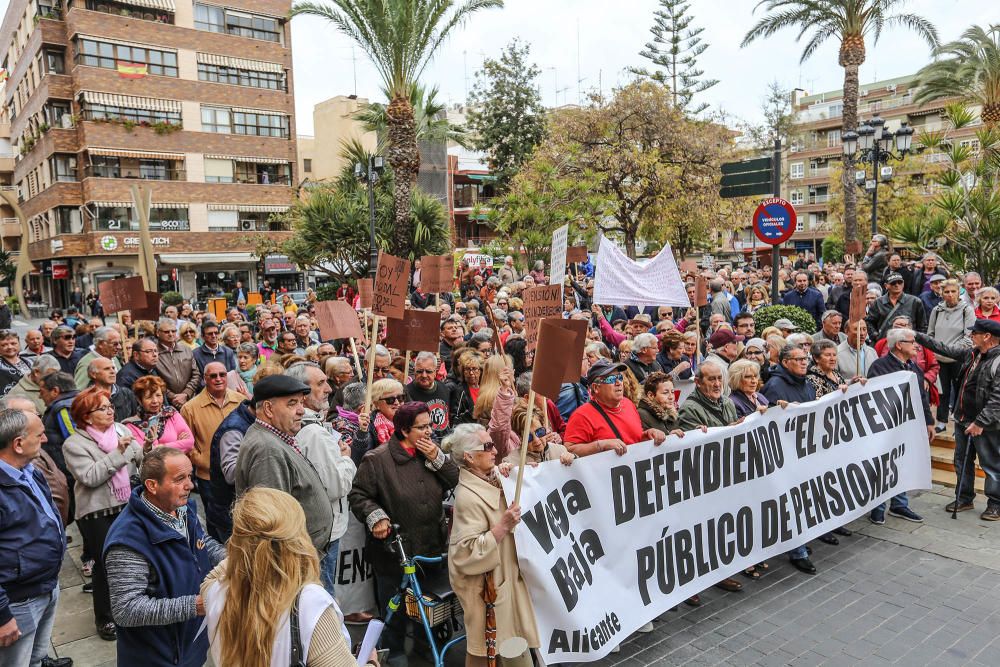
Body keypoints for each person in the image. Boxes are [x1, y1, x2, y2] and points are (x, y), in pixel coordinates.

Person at [201, 488, 367, 667]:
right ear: (298, 539)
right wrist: (372, 662)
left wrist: (247, 553)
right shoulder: (310, 604)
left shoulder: (215, 591)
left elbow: (213, 576)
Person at [348, 401, 459, 666]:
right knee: (394, 608)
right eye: (422, 427)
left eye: (430, 425)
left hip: (432, 545)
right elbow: (358, 495)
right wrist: (377, 517)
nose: (429, 432)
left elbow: (454, 479)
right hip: (394, 551)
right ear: (404, 430)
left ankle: (426, 651)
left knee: (429, 607)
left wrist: (438, 459)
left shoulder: (430, 453)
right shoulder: (377, 459)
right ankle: (394, 655)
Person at [103, 447, 224, 667]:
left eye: (190, 476)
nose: (190, 485)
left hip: (191, 643)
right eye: (180, 479)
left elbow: (201, 543)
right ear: (152, 485)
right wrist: (197, 606)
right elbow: (126, 609)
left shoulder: (183, 508)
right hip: (158, 657)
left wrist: (234, 561)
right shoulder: (128, 539)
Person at [445, 424, 539, 667]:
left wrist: (521, 474)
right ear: (469, 456)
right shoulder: (467, 497)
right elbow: (464, 554)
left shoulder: (492, 478)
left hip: (505, 583)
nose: (495, 450)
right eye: (487, 446)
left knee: (507, 648)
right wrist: (502, 527)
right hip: (488, 592)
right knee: (491, 653)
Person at [63, 386, 143, 641]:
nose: (111, 410)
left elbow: (139, 457)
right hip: (97, 513)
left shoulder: (121, 429)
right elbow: (91, 476)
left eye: (110, 406)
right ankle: (106, 618)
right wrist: (119, 453)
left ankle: (135, 606)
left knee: (136, 559)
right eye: (103, 408)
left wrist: (144, 448)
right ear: (86, 416)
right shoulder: (74, 444)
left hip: (127, 504)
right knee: (107, 565)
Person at [0, 408, 72, 667]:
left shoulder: (29, 470)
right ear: (18, 444)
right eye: (39, 435)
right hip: (18, 601)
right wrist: (2, 617)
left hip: (45, 585)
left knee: (36, 656)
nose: (45, 440)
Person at [235, 374, 334, 553]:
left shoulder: (274, 437)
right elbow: (272, 526)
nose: (301, 410)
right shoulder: (267, 449)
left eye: (301, 403)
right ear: (268, 409)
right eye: (292, 403)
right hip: (293, 560)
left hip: (304, 553)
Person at [285, 362, 357, 596]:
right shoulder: (313, 433)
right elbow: (336, 486)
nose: (328, 389)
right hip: (324, 531)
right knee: (323, 595)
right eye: (320, 383)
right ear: (302, 394)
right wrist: (346, 458)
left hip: (312, 527)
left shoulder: (303, 426)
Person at [916, 320, 1000, 519]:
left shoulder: (997, 360)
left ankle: (996, 504)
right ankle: (964, 498)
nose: (971, 336)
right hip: (963, 419)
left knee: (992, 464)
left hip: (986, 425)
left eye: (975, 333)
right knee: (962, 460)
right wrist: (917, 336)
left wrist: (980, 422)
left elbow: (998, 398)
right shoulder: (973, 353)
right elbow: (945, 349)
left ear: (987, 336)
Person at [761, 345, 819, 575]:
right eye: (799, 359)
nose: (805, 362)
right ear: (785, 362)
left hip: (804, 450)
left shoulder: (806, 383)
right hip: (785, 455)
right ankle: (798, 551)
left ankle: (800, 541)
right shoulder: (776, 386)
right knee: (792, 502)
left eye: (806, 358)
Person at [867, 327, 933, 525]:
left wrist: (928, 421)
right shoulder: (880, 367)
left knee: (903, 463)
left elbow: (922, 396)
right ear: (899, 345)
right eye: (912, 342)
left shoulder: (914, 367)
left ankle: (899, 504)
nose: (916, 346)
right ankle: (877, 507)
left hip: (908, 426)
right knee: (883, 465)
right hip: (886, 427)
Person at [180, 361, 242, 537]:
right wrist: (203, 462)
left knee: (241, 519)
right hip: (209, 477)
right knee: (216, 523)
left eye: (222, 375)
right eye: (213, 376)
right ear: (204, 379)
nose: (218, 379)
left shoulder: (241, 400)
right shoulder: (190, 408)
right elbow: (187, 444)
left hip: (238, 474)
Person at [563, 359, 668, 458]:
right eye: (611, 379)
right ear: (596, 388)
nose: (618, 383)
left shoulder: (628, 404)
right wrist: (600, 445)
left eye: (620, 377)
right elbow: (569, 450)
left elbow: (633, 439)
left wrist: (648, 434)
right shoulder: (581, 415)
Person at [927, 279, 975, 431]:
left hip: (958, 357)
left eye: (953, 291)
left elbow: (969, 335)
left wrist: (952, 350)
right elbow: (931, 333)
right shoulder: (937, 310)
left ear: (959, 292)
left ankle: (959, 424)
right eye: (946, 292)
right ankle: (941, 422)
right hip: (939, 358)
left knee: (961, 390)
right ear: (941, 293)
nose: (950, 294)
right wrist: (936, 350)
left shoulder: (966, 309)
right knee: (943, 391)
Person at [123, 375, 195, 455]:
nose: (155, 401)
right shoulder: (131, 425)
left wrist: (159, 447)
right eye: (149, 397)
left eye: (158, 395)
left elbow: (190, 442)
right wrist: (177, 444)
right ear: (139, 400)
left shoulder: (170, 413)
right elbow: (145, 456)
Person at [154, 318, 201, 409]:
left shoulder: (185, 349)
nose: (171, 334)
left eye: (173, 331)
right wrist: (173, 397)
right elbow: (155, 380)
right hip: (167, 403)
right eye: (167, 332)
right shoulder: (154, 352)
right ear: (158, 333)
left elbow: (196, 374)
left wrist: (186, 393)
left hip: (190, 400)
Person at [405, 351, 454, 439]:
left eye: (428, 371)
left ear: (435, 372)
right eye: (419, 371)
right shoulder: (407, 393)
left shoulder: (444, 388)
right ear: (414, 371)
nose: (424, 375)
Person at [867, 272, 927, 340]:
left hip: (908, 342)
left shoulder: (915, 301)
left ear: (903, 283)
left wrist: (917, 341)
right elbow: (869, 322)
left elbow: (922, 326)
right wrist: (875, 336)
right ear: (886, 285)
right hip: (884, 343)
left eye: (900, 282)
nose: (897, 285)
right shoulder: (878, 303)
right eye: (893, 283)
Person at [704, 329, 742, 396]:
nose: (737, 345)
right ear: (726, 347)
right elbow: (717, 399)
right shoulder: (716, 367)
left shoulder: (718, 362)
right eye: (735, 342)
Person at [0, 330, 29, 398]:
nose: (10, 347)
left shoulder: (29, 361)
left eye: (13, 343)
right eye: (4, 345)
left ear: (19, 343)